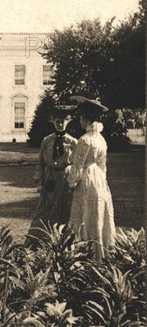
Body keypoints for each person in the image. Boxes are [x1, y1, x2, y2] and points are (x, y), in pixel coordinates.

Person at [66, 96, 116, 260]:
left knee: (84, 215)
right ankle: (101, 252)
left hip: (87, 181)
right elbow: (103, 166)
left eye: (81, 118)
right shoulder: (101, 139)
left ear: (86, 119)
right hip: (100, 180)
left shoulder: (85, 140)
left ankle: (86, 255)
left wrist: (71, 183)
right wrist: (103, 182)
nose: (80, 121)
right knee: (97, 215)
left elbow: (78, 167)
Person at [28, 105, 78, 242]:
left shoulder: (73, 142)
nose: (60, 124)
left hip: (65, 179)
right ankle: (37, 240)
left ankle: (61, 240)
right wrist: (39, 182)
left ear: (68, 122)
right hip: (50, 179)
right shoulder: (47, 140)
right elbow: (40, 163)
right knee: (44, 209)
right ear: (52, 122)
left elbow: (77, 164)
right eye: (57, 121)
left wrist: (73, 180)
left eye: (63, 121)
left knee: (63, 209)